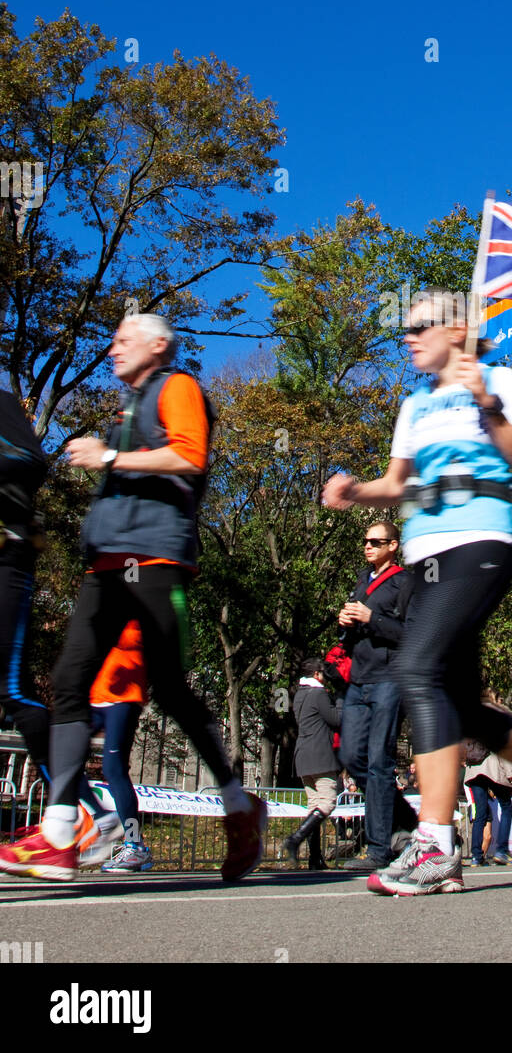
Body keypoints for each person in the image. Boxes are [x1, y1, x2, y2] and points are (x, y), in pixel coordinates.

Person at [322, 287, 512, 897]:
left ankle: (436, 844)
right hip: (425, 559)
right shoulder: (413, 403)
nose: (409, 337)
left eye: (421, 326)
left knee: (416, 669)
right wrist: (355, 493)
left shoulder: (500, 378)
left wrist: (484, 401)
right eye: (407, 328)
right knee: (461, 703)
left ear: (458, 329)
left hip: (481, 543)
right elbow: (398, 483)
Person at [0, 314, 267, 882]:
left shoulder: (179, 387)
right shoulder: (130, 407)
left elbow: (189, 456)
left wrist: (109, 458)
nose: (113, 348)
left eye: (124, 339)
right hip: (107, 566)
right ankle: (61, 832)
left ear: (159, 345)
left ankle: (239, 804)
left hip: (154, 561)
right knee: (70, 682)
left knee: (171, 689)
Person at [0, 389, 123, 865]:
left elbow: (28, 463)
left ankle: (87, 810)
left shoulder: (5, 404)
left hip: (7, 559)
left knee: (11, 692)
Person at [337, 521, 417, 873]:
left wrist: (372, 618)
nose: (367, 546)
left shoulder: (406, 582)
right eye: (365, 541)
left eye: (375, 541)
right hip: (358, 678)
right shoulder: (362, 580)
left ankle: (378, 848)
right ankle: (405, 817)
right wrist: (345, 621)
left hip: (389, 678)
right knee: (352, 757)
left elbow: (413, 633)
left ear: (393, 545)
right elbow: (352, 631)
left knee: (378, 761)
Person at [90, 620, 152, 872]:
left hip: (124, 693)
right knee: (62, 757)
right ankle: (97, 818)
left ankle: (135, 846)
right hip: (96, 693)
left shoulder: (138, 591)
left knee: (114, 770)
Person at [282, 657, 341, 869]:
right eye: (323, 672)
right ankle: (295, 839)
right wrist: (341, 700)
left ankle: (314, 858)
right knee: (328, 802)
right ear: (316, 674)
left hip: (303, 756)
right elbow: (336, 719)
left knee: (314, 806)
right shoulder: (318, 694)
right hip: (320, 756)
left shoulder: (299, 695)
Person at [464, 723, 512, 867]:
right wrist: (511, 774)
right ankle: (502, 851)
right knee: (506, 806)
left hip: (473, 771)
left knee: (480, 814)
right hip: (492, 768)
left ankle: (476, 856)